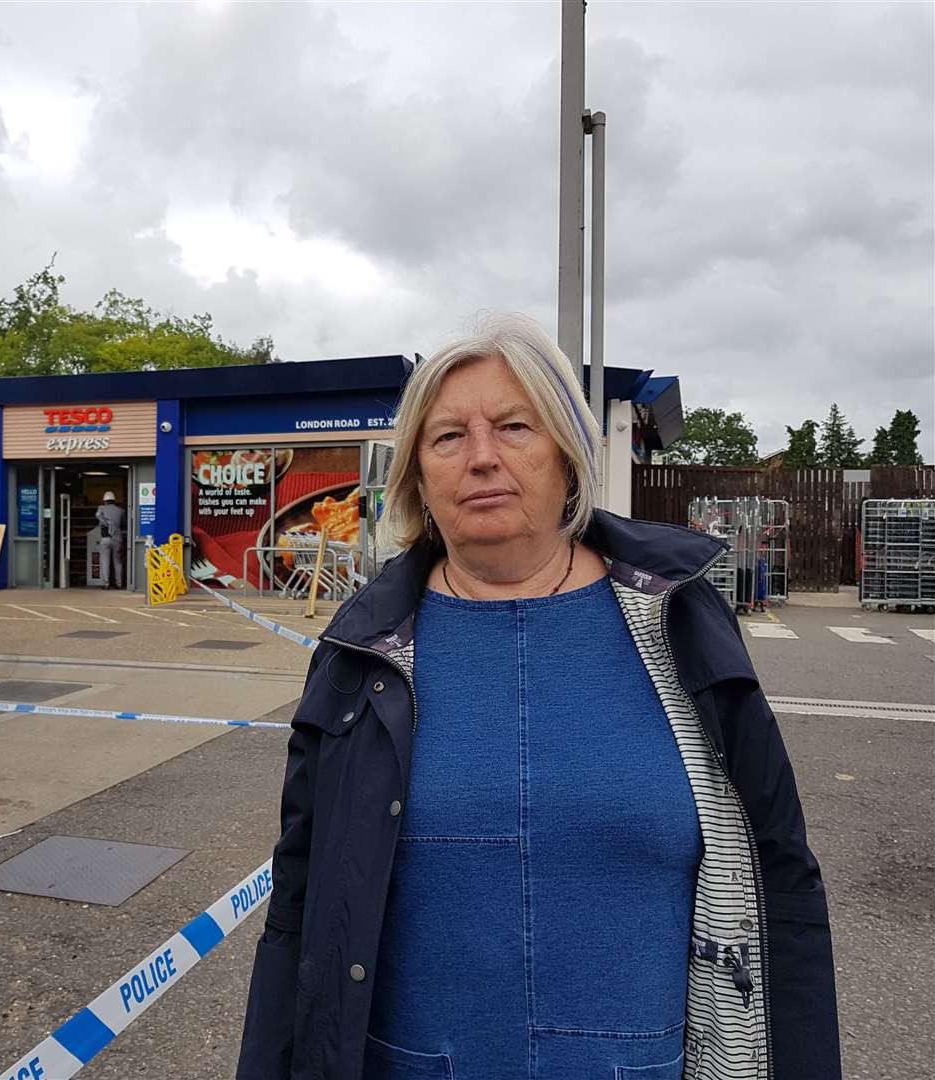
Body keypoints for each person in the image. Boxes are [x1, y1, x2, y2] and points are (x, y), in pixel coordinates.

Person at [236, 314, 839, 1080]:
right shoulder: (362, 650)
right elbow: (300, 905)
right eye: (448, 436)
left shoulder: (678, 619)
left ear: (567, 456)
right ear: (418, 475)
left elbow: (779, 875)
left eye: (514, 426)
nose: (482, 457)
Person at [95, 491, 125, 590]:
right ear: (114, 500)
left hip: (105, 539)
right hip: (117, 539)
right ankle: (119, 584)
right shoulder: (121, 511)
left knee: (105, 562)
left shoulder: (101, 509)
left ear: (104, 501)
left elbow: (98, 518)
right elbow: (124, 524)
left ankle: (106, 584)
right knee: (118, 562)